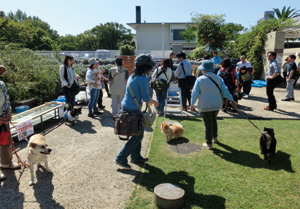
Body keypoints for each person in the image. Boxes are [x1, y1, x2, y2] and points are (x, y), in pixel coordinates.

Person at [115, 54, 159, 168]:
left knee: (138, 133)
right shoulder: (142, 78)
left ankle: (135, 157)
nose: (151, 69)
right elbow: (146, 98)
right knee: (138, 135)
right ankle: (121, 157)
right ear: (145, 67)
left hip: (127, 107)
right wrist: (155, 102)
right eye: (150, 66)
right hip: (133, 109)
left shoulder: (133, 76)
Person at [190, 60, 237, 150]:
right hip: (217, 104)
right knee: (214, 120)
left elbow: (195, 93)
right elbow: (225, 91)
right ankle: (214, 138)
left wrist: (192, 103)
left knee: (208, 124)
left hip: (205, 104)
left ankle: (209, 143)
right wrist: (232, 100)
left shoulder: (200, 79)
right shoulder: (219, 78)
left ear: (203, 70)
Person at [0, 65, 21, 180]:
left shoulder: (2, 84)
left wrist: (8, 111)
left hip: (3, 117)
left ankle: (6, 163)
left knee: (6, 140)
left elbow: (7, 100)